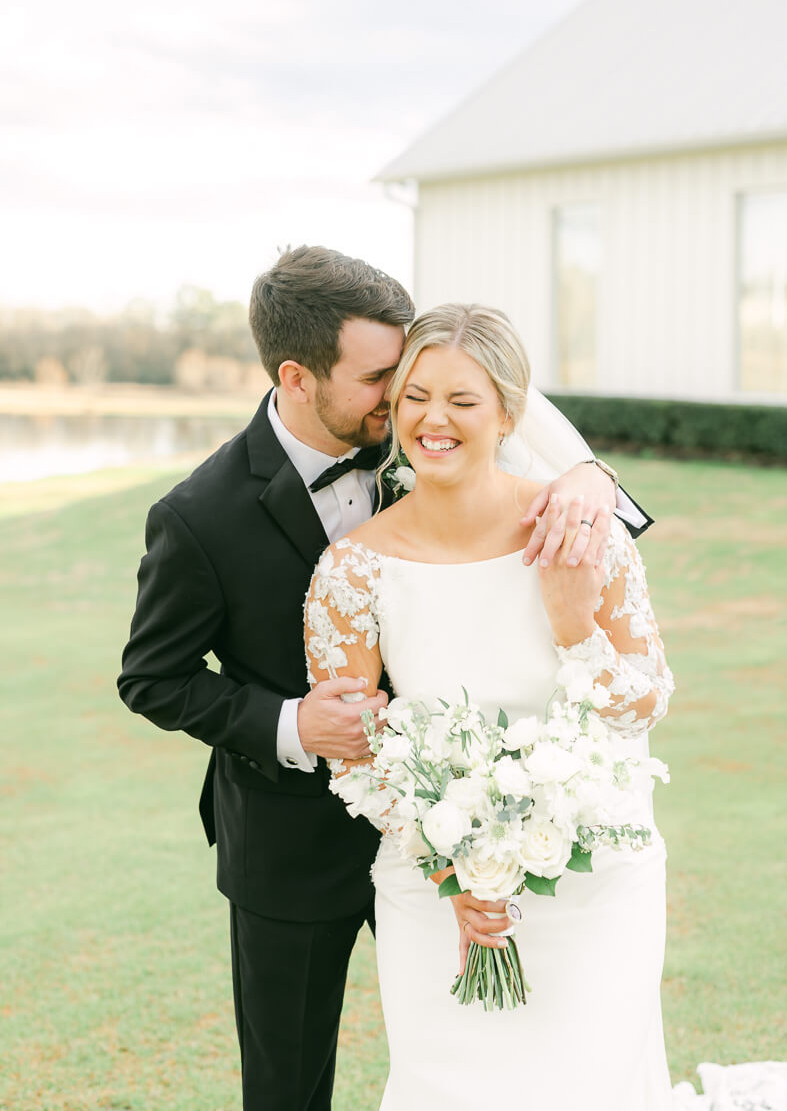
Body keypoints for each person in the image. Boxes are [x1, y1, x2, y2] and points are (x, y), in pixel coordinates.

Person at [118, 249, 651, 1111]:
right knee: (289, 1085)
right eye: (384, 381)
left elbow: (517, 435)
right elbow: (152, 677)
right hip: (295, 844)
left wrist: (590, 472)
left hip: (516, 830)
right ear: (297, 378)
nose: (407, 399)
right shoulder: (198, 514)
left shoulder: (421, 437)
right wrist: (293, 724)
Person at [304, 303, 674, 1110]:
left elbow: (644, 704)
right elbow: (353, 748)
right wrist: (455, 867)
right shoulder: (351, 571)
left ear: (508, 412)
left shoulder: (582, 530)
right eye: (414, 398)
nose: (434, 420)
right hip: (435, 890)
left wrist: (574, 621)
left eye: (462, 401)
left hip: (598, 879)